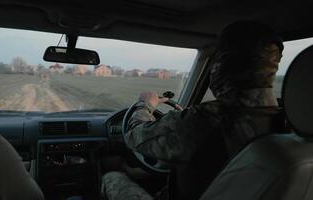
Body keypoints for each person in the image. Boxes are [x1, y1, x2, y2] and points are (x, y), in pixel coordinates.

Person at [101, 20, 284, 200]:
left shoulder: (206, 119)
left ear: (224, 65)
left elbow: (135, 137)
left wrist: (146, 105)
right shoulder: (287, 121)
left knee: (112, 178)